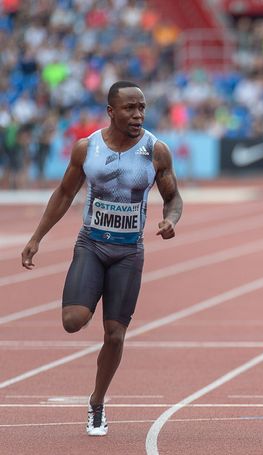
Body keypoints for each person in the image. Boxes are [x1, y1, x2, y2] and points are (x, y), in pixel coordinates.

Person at [20, 81, 183, 436]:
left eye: (142, 107)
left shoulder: (157, 151)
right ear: (111, 112)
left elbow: (174, 198)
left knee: (114, 335)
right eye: (129, 108)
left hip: (128, 252)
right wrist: (36, 237)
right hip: (91, 244)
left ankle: (97, 403)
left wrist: (170, 220)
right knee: (73, 320)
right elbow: (64, 193)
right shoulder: (86, 148)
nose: (138, 114)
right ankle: (86, 302)